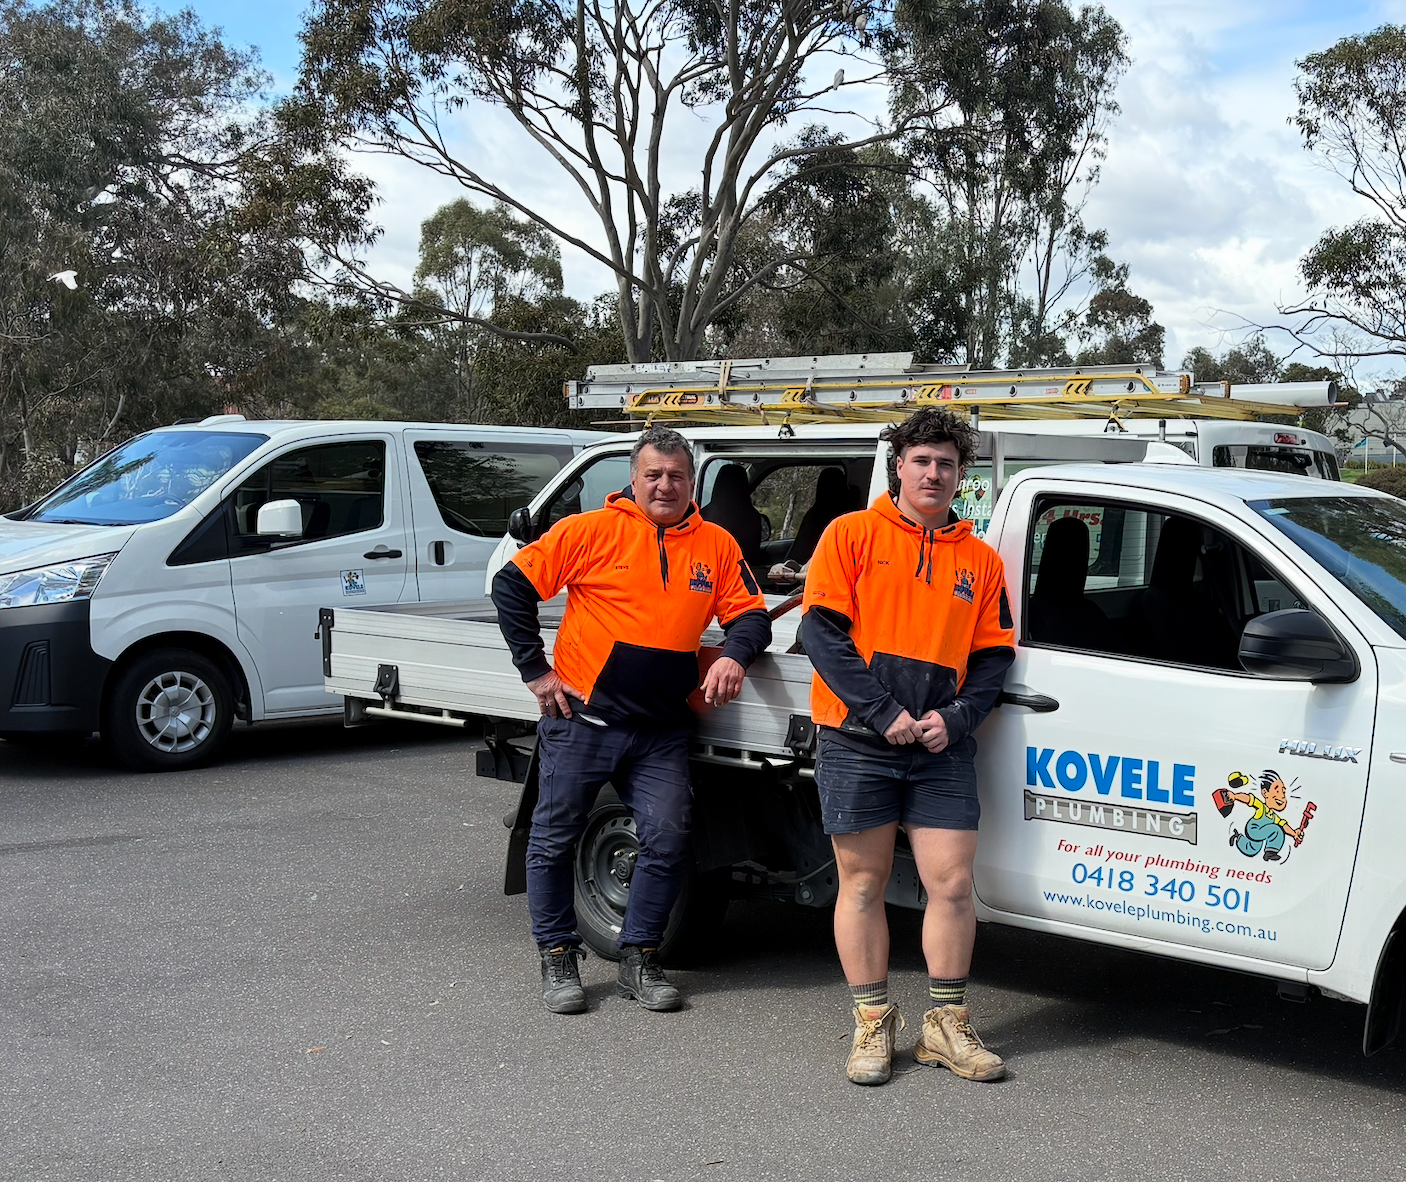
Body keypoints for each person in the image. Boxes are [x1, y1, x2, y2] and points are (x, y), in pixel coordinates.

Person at [491, 426, 772, 1015]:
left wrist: (733, 655)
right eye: (654, 475)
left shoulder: (716, 545)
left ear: (691, 481)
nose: (665, 485)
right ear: (634, 479)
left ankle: (638, 957)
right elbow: (511, 585)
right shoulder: (589, 532)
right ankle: (557, 956)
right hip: (581, 721)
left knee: (669, 839)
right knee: (553, 839)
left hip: (661, 729)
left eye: (676, 476)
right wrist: (536, 672)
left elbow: (751, 615)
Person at [799, 407, 1015, 1085]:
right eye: (921, 460)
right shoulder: (852, 535)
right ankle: (872, 1025)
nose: (933, 473)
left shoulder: (979, 562)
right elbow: (821, 634)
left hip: (940, 748)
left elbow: (993, 659)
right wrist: (881, 711)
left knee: (951, 884)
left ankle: (945, 1026)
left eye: (946, 464)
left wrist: (957, 716)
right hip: (858, 741)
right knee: (861, 884)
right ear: (898, 466)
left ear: (960, 476)